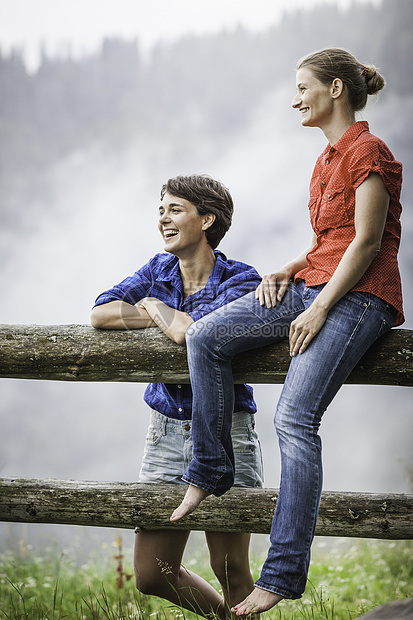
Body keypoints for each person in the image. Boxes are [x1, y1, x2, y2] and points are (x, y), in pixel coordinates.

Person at [170, 48, 404, 614]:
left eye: (303, 87)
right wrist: (289, 268)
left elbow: (367, 242)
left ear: (336, 90)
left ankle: (280, 574)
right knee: (206, 337)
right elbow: (331, 242)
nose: (295, 98)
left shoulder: (368, 151)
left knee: (295, 420)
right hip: (315, 282)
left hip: (359, 297)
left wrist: (320, 306)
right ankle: (211, 470)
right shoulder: (326, 160)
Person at [90, 174, 264, 619]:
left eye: (175, 209)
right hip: (165, 433)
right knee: (154, 573)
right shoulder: (158, 268)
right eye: (161, 211)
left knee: (230, 570)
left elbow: (193, 333)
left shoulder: (242, 280)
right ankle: (226, 618)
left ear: (206, 219)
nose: (163, 219)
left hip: (225, 431)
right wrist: (154, 313)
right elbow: (100, 311)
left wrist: (153, 305)